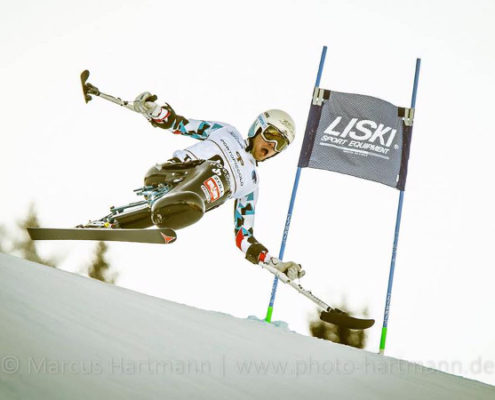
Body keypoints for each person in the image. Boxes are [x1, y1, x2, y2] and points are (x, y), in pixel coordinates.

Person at [127, 92, 304, 280]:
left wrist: (276, 264)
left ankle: (125, 220)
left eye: (280, 144)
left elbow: (243, 236)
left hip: (184, 205)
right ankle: (173, 199)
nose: (272, 144)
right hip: (166, 175)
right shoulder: (227, 132)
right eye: (271, 135)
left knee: (209, 191)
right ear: (257, 128)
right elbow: (180, 124)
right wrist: (154, 111)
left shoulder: (251, 185)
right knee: (218, 172)